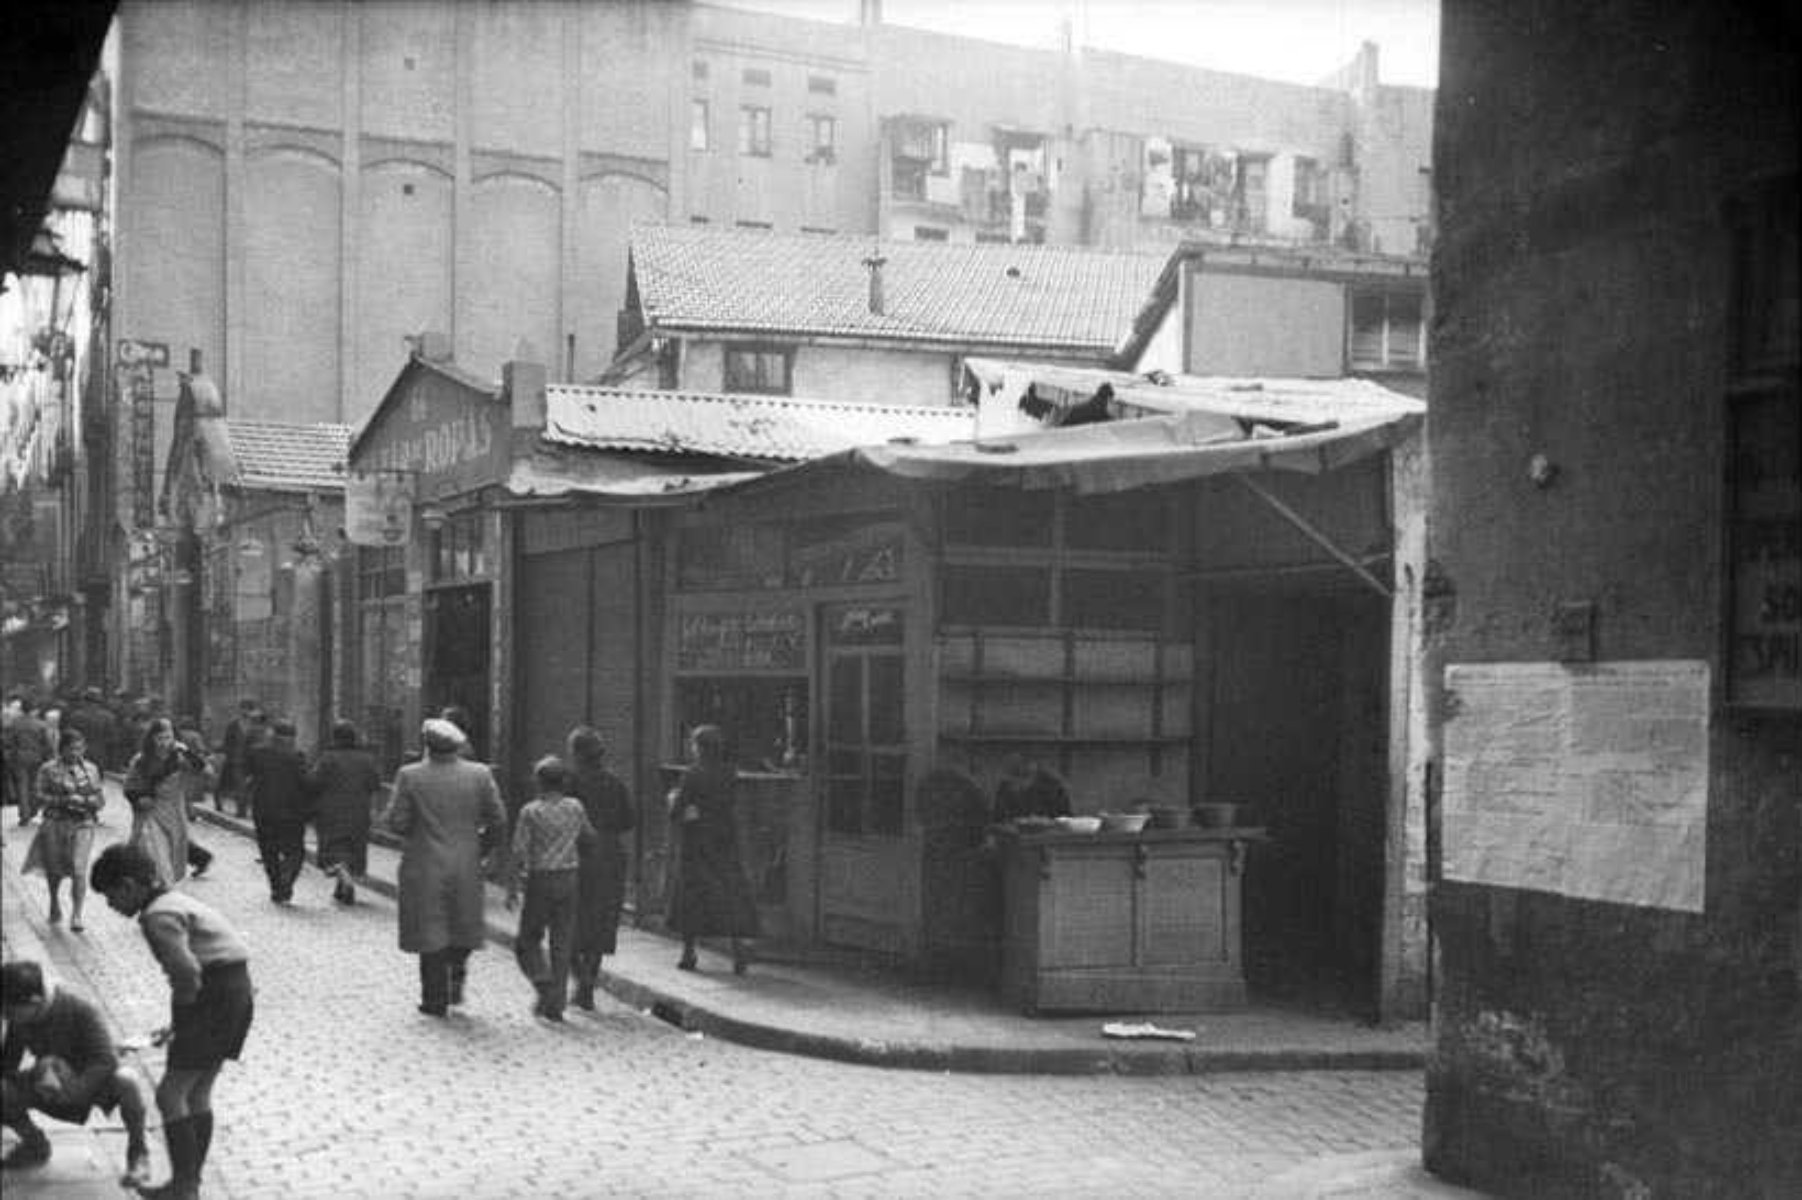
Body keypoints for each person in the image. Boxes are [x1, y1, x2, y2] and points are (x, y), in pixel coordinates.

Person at [89, 841, 253, 1200]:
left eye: (110, 895)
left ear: (130, 885)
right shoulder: (175, 902)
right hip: (234, 992)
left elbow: (186, 974)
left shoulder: (157, 916)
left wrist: (182, 1022)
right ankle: (188, 1184)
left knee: (170, 1094)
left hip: (214, 996)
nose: (111, 905)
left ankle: (184, 1187)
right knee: (197, 1092)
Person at [388, 718, 507, 1016]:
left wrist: (414, 830)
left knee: (431, 930)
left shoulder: (410, 776)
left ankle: (434, 998)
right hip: (466, 861)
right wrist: (484, 847)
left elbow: (397, 821)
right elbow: (498, 818)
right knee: (462, 922)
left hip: (424, 863)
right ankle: (457, 968)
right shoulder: (480, 774)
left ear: (427, 744)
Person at [0, 960, 153, 1185]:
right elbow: (8, 1066)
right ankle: (34, 1145)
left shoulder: (80, 1008)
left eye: (9, 1010)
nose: (5, 1016)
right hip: (49, 1081)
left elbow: (105, 1059)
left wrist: (77, 1091)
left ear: (35, 1001)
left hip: (91, 1082)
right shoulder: (20, 1018)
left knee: (127, 1080)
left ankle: (138, 1153)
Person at [505, 756, 596, 1022]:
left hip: (540, 879)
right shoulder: (575, 807)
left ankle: (542, 982)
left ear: (539, 782)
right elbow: (589, 836)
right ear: (564, 782)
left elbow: (518, 850)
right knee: (562, 941)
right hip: (569, 878)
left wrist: (511, 887)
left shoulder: (531, 811)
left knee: (527, 940)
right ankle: (556, 1003)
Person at [665, 724, 758, 974]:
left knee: (692, 896)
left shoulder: (693, 774)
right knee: (730, 893)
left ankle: (688, 953)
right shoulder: (730, 772)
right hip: (725, 839)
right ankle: (739, 953)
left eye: (694, 745)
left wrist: (674, 800)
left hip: (696, 841)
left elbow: (677, 810)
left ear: (700, 748)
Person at [566, 725, 636, 1010]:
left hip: (575, 854)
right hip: (609, 856)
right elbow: (628, 821)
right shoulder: (615, 783)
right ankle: (588, 982)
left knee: (567, 919)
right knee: (601, 921)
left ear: (577, 754)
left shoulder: (569, 783)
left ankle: (581, 980)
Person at [22, 729, 106, 930]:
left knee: (79, 869)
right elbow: (38, 795)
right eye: (71, 749)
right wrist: (62, 800)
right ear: (62, 750)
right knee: (55, 868)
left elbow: (100, 799)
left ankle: (77, 914)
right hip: (55, 823)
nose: (75, 753)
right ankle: (54, 902)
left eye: (79, 749)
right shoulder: (48, 769)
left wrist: (87, 801)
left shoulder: (91, 769)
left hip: (83, 823)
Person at [122, 718, 206, 888]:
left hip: (175, 813)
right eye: (160, 738)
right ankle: (164, 894)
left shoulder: (180, 758)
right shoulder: (141, 760)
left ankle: (166, 888)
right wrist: (139, 798)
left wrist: (188, 752)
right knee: (159, 859)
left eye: (168, 738)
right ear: (152, 738)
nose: (164, 743)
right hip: (151, 814)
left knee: (175, 859)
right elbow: (129, 787)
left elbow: (201, 768)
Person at [307, 719, 382, 905]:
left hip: (331, 811)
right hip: (358, 810)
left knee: (335, 849)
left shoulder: (328, 758)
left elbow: (314, 782)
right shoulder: (367, 759)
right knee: (352, 848)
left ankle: (342, 876)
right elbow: (375, 784)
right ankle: (342, 886)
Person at [242, 718, 313, 905]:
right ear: (292, 738)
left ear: (272, 735)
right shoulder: (297, 757)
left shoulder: (258, 753)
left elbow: (247, 776)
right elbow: (306, 783)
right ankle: (287, 877)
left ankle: (277, 888)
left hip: (263, 811)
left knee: (269, 852)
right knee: (295, 851)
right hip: (292, 813)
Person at [173, 716, 216, 880]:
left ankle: (200, 857)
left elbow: (201, 765)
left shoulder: (179, 751)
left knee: (171, 833)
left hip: (172, 797)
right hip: (166, 797)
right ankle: (199, 858)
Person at [4, 700, 53, 826]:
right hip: (37, 758)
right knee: (35, 785)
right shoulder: (41, 725)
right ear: (33, 710)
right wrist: (50, 758)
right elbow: (47, 744)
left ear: (22, 709)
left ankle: (24, 815)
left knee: (22, 787)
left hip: (19, 758)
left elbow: (8, 742)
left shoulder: (15, 724)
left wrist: (9, 757)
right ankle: (33, 810)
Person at [990, 754, 1073, 824]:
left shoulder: (1054, 786)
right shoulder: (1005, 787)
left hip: (1050, 835)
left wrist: (1047, 822)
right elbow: (998, 819)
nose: (1013, 787)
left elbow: (1066, 818)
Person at [216, 699, 258, 815]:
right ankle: (241, 810)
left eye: (248, 709)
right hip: (236, 759)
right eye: (243, 708)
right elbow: (227, 741)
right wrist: (227, 754)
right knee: (238, 785)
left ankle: (246, 808)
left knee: (249, 786)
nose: (245, 711)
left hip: (252, 760)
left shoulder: (255, 724)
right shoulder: (233, 724)